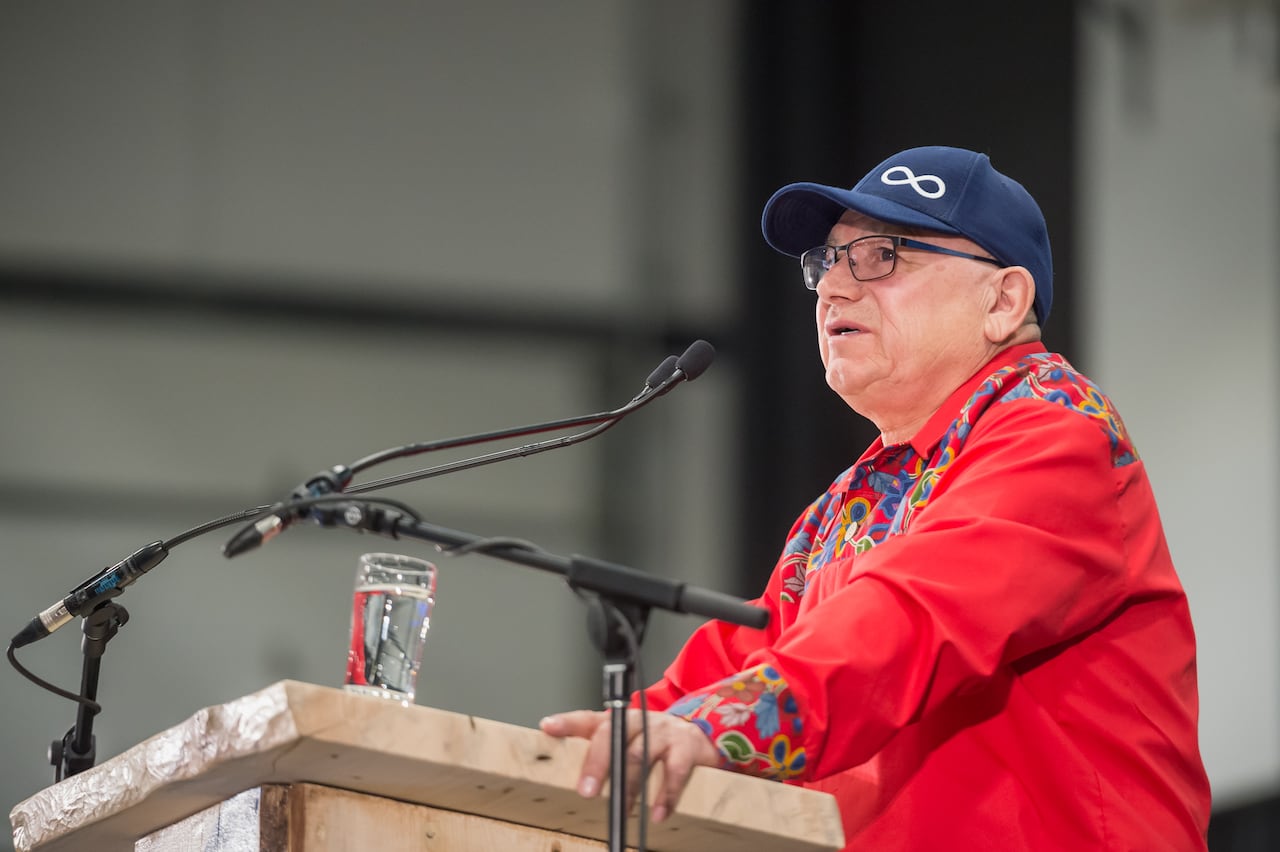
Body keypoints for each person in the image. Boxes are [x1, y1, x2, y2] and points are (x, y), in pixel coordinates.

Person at [540, 145, 1212, 849]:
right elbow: (736, 662)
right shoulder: (846, 505)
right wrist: (599, 752)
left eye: (883, 256)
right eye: (827, 262)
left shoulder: (1057, 433)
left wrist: (712, 728)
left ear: (1003, 301)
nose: (834, 288)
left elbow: (909, 618)